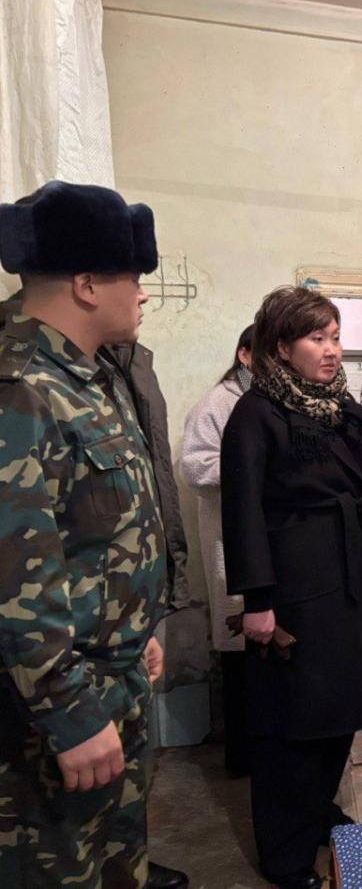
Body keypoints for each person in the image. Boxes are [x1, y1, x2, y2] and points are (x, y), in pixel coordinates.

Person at [0, 218, 191, 889]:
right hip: (47, 710)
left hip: (112, 673)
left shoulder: (86, 375)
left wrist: (136, 628)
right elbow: (14, 576)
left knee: (117, 861)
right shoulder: (19, 387)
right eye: (133, 279)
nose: (143, 294)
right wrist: (67, 711)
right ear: (86, 285)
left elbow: (94, 530)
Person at [220, 287, 362, 889]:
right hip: (296, 585)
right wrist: (258, 601)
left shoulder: (337, 406)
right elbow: (243, 511)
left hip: (348, 575)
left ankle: (318, 810)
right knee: (294, 724)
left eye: (335, 337)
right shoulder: (257, 413)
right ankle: (285, 853)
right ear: (280, 346)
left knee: (339, 710)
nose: (331, 350)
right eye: (316, 338)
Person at [180, 324, 255, 777]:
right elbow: (194, 466)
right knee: (240, 650)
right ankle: (242, 757)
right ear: (245, 355)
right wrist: (253, 468)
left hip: (270, 541)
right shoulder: (218, 403)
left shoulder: (274, 399)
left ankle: (266, 751)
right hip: (232, 537)